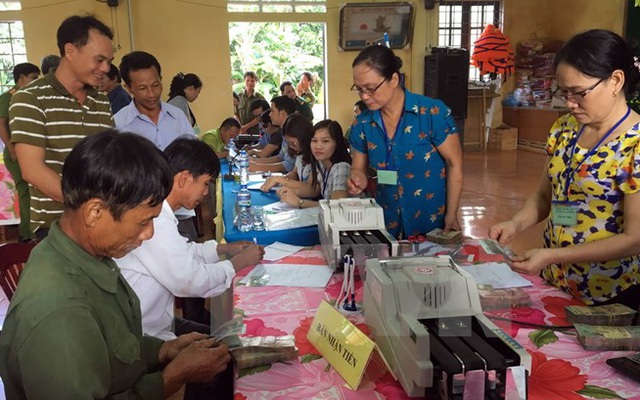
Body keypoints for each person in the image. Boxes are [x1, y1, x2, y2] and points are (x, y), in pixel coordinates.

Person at [0, 130, 232, 399]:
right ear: (94, 213)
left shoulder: (91, 256)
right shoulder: (59, 313)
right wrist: (173, 376)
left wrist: (162, 351)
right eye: (143, 223)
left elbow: (116, 345)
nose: (149, 235)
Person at [489, 29, 640, 307]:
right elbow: (546, 196)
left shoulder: (636, 145)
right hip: (556, 279)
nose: (570, 102)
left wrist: (553, 255)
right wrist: (515, 223)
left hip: (609, 290)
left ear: (616, 80)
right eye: (564, 91)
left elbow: (634, 239)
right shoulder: (564, 129)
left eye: (580, 93)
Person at [117, 137, 264, 340]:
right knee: (232, 347)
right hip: (144, 335)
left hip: (157, 322)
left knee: (226, 336)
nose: (205, 193)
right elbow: (190, 279)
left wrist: (223, 249)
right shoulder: (153, 220)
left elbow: (182, 252)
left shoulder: (159, 212)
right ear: (184, 178)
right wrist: (238, 263)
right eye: (205, 184)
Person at [10, 15, 115, 240]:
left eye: (109, 60)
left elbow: (109, 160)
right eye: (99, 60)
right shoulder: (30, 98)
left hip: (102, 224)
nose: (105, 68)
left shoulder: (101, 101)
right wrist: (89, 210)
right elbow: (33, 170)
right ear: (70, 50)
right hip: (57, 228)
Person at [346, 45, 463, 239]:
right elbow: (358, 168)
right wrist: (357, 179)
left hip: (431, 222)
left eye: (371, 88)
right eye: (359, 89)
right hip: (386, 221)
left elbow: (454, 164)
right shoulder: (362, 124)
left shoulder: (431, 113)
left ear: (394, 79)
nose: (365, 96)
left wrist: (451, 214)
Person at [115, 51, 195, 150]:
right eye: (142, 88)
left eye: (155, 85)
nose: (151, 94)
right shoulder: (119, 125)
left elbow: (193, 155)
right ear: (128, 88)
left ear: (160, 79)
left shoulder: (178, 116)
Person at [269, 119, 352, 209]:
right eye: (314, 140)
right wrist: (292, 192)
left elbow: (336, 207)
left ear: (337, 143)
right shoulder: (322, 164)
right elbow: (313, 189)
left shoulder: (342, 167)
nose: (318, 146)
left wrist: (299, 202)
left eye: (325, 141)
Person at [0, 62, 40, 242]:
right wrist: (11, 148)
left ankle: (32, 230)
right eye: (32, 78)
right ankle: (27, 232)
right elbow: (1, 125)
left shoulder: (30, 96)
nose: (35, 81)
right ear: (21, 78)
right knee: (25, 191)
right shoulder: (8, 98)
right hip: (16, 151)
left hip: (30, 150)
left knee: (34, 190)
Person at [248, 95, 297, 173]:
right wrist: (255, 161)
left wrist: (258, 167)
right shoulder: (284, 131)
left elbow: (288, 166)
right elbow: (280, 157)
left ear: (283, 113)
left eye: (272, 111)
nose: (270, 114)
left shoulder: (294, 132)